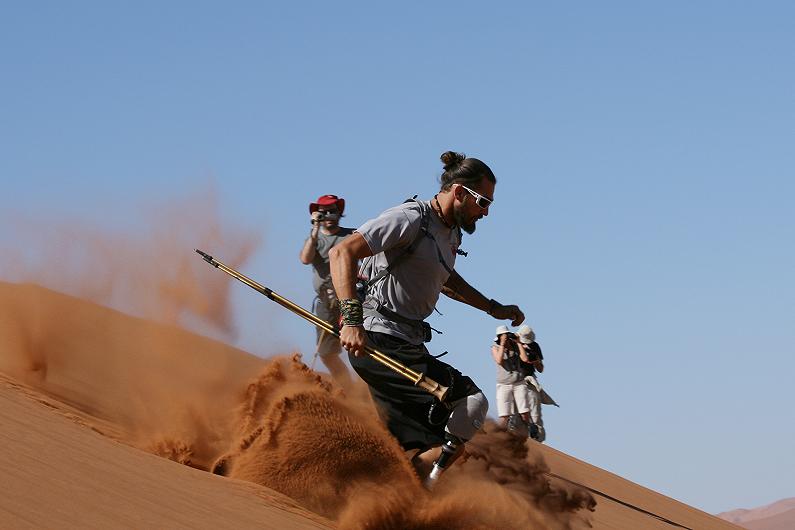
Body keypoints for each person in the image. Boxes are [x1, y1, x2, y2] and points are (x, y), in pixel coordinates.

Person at [328, 151, 524, 489]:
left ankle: (381, 487)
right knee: (469, 405)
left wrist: (494, 308)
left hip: (408, 346)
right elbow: (341, 252)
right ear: (459, 192)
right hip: (378, 342)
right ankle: (419, 489)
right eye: (482, 201)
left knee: (450, 431)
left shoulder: (450, 234)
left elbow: (448, 283)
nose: (487, 211)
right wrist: (351, 320)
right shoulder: (409, 218)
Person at [299, 194, 354, 384]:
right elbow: (305, 259)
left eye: (333, 211)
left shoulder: (351, 236)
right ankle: (348, 388)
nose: (329, 215)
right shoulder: (315, 240)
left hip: (352, 298)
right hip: (326, 302)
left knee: (359, 345)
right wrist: (315, 228)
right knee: (326, 352)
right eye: (324, 212)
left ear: (340, 213)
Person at [491, 325, 533, 434]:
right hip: (503, 384)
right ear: (499, 336)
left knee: (524, 412)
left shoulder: (515, 345)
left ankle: (526, 431)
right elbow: (499, 360)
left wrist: (518, 342)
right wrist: (502, 344)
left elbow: (524, 358)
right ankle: (500, 435)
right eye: (503, 335)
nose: (505, 337)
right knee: (504, 415)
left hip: (518, 382)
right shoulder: (494, 347)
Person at [517, 324, 547, 442]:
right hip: (514, 382)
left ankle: (538, 442)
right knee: (515, 416)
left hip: (529, 381)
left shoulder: (534, 346)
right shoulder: (514, 343)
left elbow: (541, 369)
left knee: (535, 416)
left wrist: (535, 360)